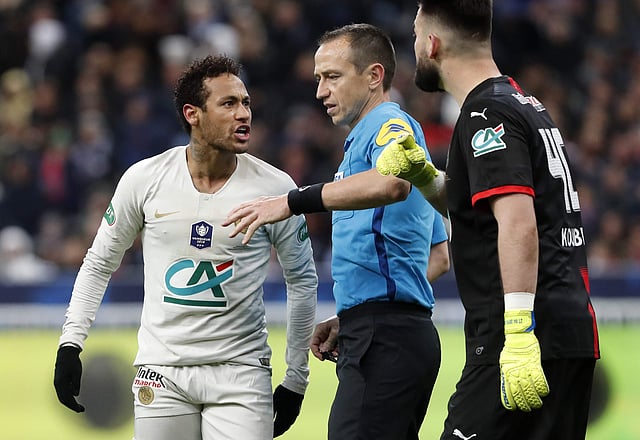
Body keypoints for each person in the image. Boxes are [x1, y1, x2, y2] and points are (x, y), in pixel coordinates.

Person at [53, 55, 318, 440]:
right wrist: (70, 343)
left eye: (246, 103)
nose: (243, 114)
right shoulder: (144, 179)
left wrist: (296, 378)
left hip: (241, 373)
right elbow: (98, 264)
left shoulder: (276, 189)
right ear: (193, 114)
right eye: (228, 104)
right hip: (161, 373)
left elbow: (302, 280)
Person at [376, 2, 601, 439]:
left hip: (523, 335)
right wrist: (426, 178)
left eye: (416, 35)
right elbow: (489, 214)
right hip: (565, 329)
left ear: (433, 44)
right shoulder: (522, 103)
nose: (415, 46)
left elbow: (518, 222)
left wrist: (518, 333)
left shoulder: (486, 115)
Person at [224, 23, 450, 440]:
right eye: (318, 79)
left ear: (374, 75)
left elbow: (393, 183)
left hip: (386, 340)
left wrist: (292, 201)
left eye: (332, 76)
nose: (320, 91)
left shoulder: (388, 124)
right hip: (388, 331)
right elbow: (438, 257)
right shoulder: (363, 146)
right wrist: (357, 313)